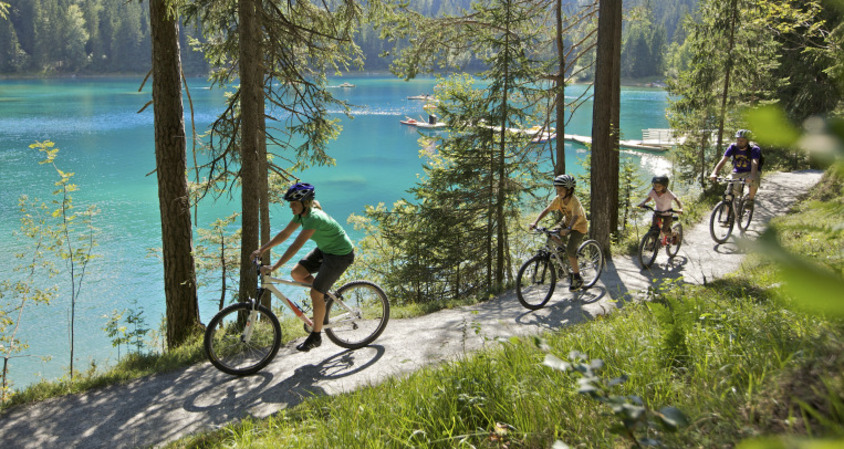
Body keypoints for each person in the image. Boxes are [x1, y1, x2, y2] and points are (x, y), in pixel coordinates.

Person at [250, 182, 355, 352]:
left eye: (293, 203)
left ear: (305, 203)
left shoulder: (314, 218)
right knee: (297, 273)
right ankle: (324, 296)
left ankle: (316, 336)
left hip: (340, 255)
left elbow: (295, 247)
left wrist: (274, 267)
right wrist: (261, 250)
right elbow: (285, 234)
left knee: (315, 293)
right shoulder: (302, 215)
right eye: (291, 203)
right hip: (325, 250)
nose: (290, 207)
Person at [529, 174, 589, 292]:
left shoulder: (574, 201)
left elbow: (576, 216)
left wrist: (569, 229)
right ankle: (562, 252)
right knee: (551, 234)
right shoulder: (558, 199)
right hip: (566, 223)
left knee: (570, 251)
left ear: (569, 190)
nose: (559, 192)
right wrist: (535, 222)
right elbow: (547, 209)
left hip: (579, 226)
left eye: (561, 190)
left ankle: (577, 278)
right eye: (557, 189)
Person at [709, 129, 761, 202]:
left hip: (751, 171)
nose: (739, 142)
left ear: (747, 141)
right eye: (738, 140)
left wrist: (752, 176)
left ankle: (750, 200)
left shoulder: (754, 149)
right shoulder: (733, 147)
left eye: (742, 140)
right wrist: (714, 173)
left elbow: (754, 163)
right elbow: (723, 160)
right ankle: (728, 208)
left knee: (753, 182)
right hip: (737, 171)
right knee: (729, 196)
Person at [637, 175, 683, 242]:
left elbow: (677, 200)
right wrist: (643, 203)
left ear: (664, 186)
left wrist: (680, 208)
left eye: (659, 186)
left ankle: (675, 234)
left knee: (665, 231)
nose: (656, 187)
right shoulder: (653, 191)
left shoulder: (668, 192)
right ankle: (653, 243)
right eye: (655, 185)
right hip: (657, 212)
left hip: (667, 214)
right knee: (653, 229)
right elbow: (650, 198)